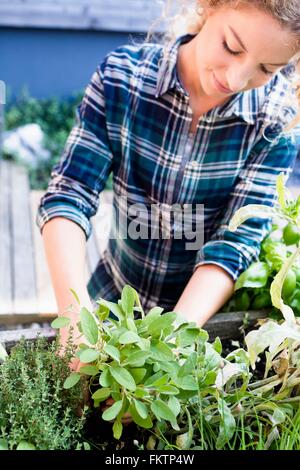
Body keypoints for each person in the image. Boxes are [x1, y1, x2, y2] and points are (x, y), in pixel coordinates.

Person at [37, 0, 300, 370]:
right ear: (209, 7)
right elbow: (70, 192)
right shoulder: (122, 78)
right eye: (232, 46)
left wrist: (169, 349)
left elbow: (234, 244)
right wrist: (75, 314)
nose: (236, 79)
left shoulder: (276, 123)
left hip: (198, 327)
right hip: (110, 301)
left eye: (266, 69)